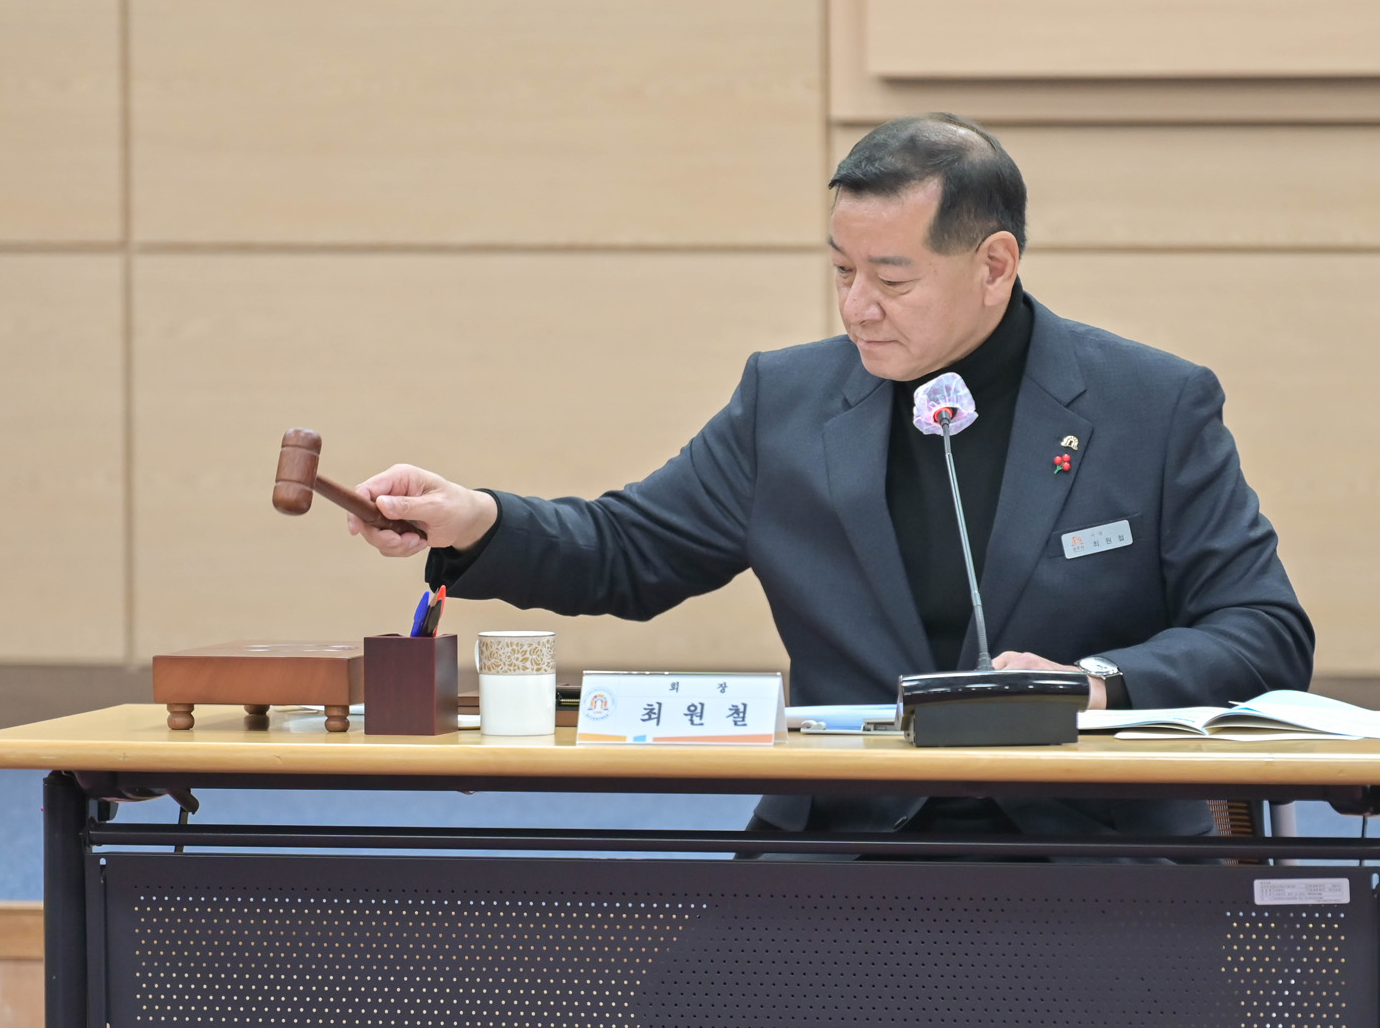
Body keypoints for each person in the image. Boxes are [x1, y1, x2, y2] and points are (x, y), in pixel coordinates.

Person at [348, 113, 1313, 839]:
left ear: (995, 265)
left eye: (891, 280)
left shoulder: (1151, 406)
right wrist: (477, 519)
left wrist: (1095, 685)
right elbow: (628, 550)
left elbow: (1264, 631)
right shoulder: (789, 402)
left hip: (1089, 847)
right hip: (848, 839)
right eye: (841, 272)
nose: (856, 309)